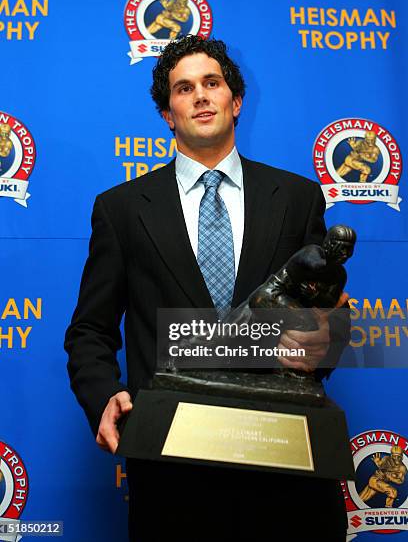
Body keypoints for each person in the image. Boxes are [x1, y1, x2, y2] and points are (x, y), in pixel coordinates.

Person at [65, 35, 349, 541]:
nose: (200, 95)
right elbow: (90, 330)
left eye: (212, 83)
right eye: (183, 88)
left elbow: (327, 316)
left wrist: (326, 338)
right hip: (173, 468)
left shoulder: (300, 197)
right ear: (168, 115)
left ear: (235, 102)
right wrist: (105, 395)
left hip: (285, 460)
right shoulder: (122, 209)